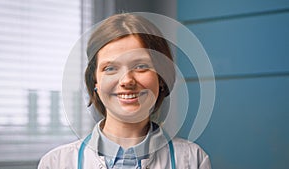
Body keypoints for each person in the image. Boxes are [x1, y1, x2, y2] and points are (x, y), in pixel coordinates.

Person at [38, 13, 211, 169]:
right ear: (95, 81)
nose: (127, 80)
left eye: (141, 66)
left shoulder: (193, 160)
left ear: (161, 78)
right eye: (110, 68)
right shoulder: (55, 163)